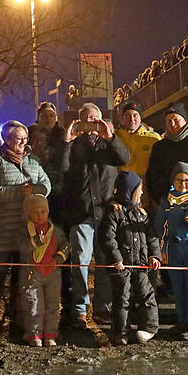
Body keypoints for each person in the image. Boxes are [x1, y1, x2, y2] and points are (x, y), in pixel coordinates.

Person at [58, 102, 130, 328]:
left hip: (106, 212)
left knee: (106, 261)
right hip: (82, 213)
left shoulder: (107, 144)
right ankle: (80, 310)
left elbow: (123, 159)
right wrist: (67, 143)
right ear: (79, 121)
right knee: (80, 261)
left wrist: (111, 138)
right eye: (86, 118)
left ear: (101, 120)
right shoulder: (74, 144)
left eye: (95, 119)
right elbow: (63, 169)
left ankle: (102, 307)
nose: (90, 124)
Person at [0, 121, 51, 332]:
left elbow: (46, 185)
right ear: (7, 139)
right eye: (18, 139)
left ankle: (20, 317)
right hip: (3, 226)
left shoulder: (33, 160)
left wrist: (34, 192)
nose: (22, 143)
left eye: (25, 139)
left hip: (27, 227)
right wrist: (20, 192)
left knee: (24, 274)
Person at [99, 171, 161, 345]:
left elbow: (152, 238)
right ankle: (121, 332)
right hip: (121, 266)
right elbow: (107, 238)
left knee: (146, 294)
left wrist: (154, 256)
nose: (141, 193)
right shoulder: (113, 213)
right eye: (138, 190)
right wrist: (115, 258)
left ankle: (149, 328)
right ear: (129, 191)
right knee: (122, 298)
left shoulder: (142, 214)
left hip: (140, 264)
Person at [153, 162, 188, 340]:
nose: (183, 184)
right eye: (179, 180)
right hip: (174, 247)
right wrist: (160, 246)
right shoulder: (168, 199)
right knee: (178, 286)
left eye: (186, 180)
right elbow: (160, 223)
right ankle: (183, 320)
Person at [19, 194, 69, 347]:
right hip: (32, 274)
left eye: (43, 211)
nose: (40, 215)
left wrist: (60, 258)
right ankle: (34, 333)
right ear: (29, 214)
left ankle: (50, 334)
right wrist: (36, 242)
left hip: (53, 273)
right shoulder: (26, 231)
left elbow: (66, 246)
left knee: (52, 304)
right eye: (35, 212)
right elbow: (21, 248)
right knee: (34, 304)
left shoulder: (56, 232)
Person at [115, 101, 161, 180]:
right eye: (127, 115)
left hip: (146, 183)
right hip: (123, 183)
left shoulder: (153, 138)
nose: (131, 119)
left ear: (140, 118)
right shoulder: (115, 136)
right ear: (122, 119)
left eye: (135, 115)